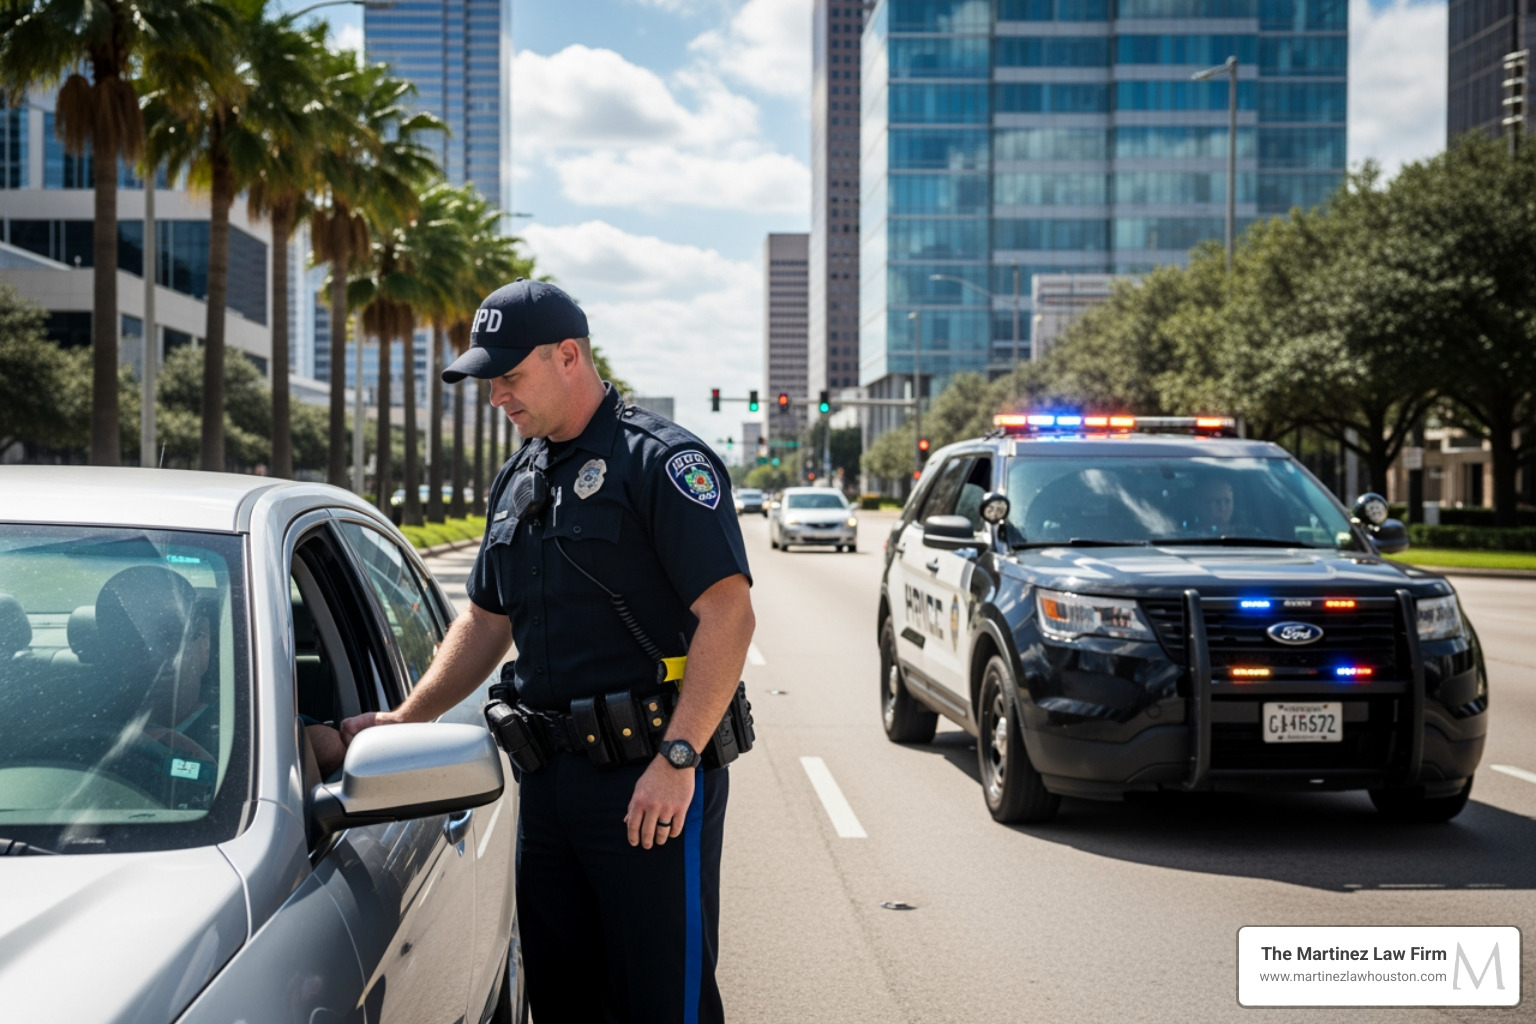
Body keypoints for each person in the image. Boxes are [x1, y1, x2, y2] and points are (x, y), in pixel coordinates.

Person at [340, 279, 755, 1024]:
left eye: (508, 375)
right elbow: (485, 621)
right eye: (488, 380)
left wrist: (678, 759)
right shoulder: (519, 475)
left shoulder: (660, 461)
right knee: (561, 1000)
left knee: (663, 1003)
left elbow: (728, 616)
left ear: (568, 356)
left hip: (648, 782)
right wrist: (404, 721)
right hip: (548, 784)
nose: (496, 395)